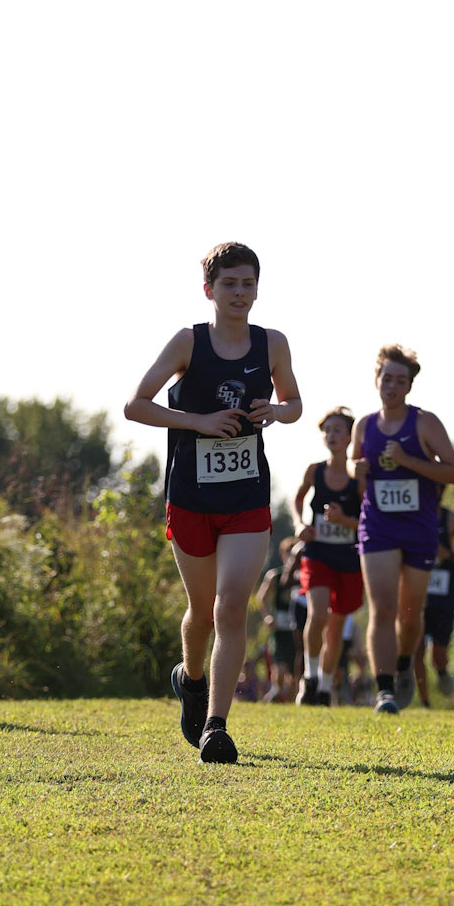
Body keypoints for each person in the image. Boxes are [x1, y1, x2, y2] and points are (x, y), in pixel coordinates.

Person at [125, 242, 302, 764]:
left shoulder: (272, 344)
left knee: (230, 607)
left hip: (247, 497)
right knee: (201, 612)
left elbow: (295, 404)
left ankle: (216, 727)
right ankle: (191, 678)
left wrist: (275, 410)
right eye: (229, 284)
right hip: (191, 497)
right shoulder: (188, 343)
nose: (240, 293)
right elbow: (136, 405)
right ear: (209, 290)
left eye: (248, 284)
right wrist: (198, 422)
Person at [352, 345, 454, 715]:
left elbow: (453, 473)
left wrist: (409, 461)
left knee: (410, 613)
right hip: (379, 526)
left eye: (401, 380)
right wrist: (358, 472)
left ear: (409, 386)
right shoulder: (363, 426)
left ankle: (402, 663)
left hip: (419, 526)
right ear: (376, 380)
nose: (392, 386)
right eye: (387, 378)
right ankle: (384, 689)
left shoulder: (424, 423)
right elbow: (357, 474)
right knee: (382, 608)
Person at [292, 407, 364, 706]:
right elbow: (297, 499)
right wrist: (299, 525)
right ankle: (308, 678)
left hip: (349, 558)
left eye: (338, 430)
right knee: (317, 614)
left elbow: (368, 520)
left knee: (336, 627)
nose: (332, 435)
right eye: (327, 430)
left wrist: (343, 521)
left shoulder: (357, 474)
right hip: (318, 554)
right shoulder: (314, 470)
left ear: (350, 437)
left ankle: (324, 687)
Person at [414, 506, 454, 706]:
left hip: (444, 598)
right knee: (417, 648)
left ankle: (441, 670)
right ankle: (425, 701)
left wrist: (447, 554)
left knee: (438, 655)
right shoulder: (412, 515)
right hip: (418, 595)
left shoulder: (453, 519)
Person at [257, 536, 304, 702]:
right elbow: (261, 598)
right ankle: (275, 691)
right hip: (279, 629)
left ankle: (289, 704)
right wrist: (268, 616)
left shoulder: (303, 578)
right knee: (280, 668)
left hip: (296, 630)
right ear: (282, 554)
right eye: (288, 554)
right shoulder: (274, 577)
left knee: (295, 673)